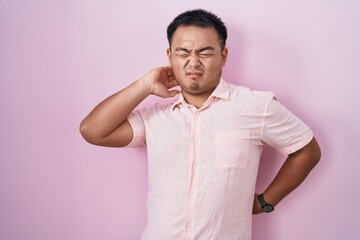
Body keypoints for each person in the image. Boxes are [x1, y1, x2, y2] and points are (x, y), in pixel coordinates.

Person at [80, 9, 321, 240]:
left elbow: (306, 150)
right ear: (170, 56)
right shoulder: (156, 117)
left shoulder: (257, 106)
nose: (193, 62)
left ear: (223, 56)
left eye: (204, 52)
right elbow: (92, 130)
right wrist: (145, 84)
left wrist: (265, 202)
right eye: (183, 52)